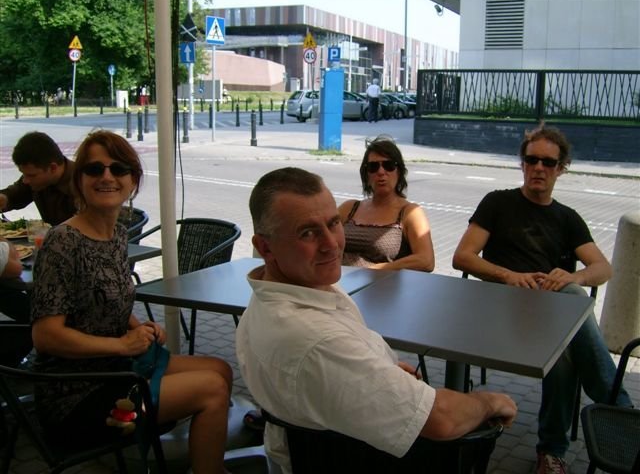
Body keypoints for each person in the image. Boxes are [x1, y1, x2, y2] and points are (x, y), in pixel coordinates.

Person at [236, 167, 517, 473]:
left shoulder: (274, 299)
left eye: (333, 223)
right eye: (307, 232)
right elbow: (442, 419)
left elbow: (332, 368)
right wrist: (490, 402)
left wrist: (379, 370)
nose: (331, 243)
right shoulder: (316, 340)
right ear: (265, 247)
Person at [30, 130, 233, 474]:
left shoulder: (117, 234)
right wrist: (123, 345)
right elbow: (45, 336)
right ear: (79, 180)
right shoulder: (63, 241)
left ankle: (201, 450)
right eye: (94, 169)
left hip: (120, 370)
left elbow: (109, 300)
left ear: (133, 180)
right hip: (77, 395)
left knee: (222, 369)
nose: (107, 176)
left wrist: (141, 329)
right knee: (211, 389)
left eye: (119, 168)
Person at [451, 124, 633, 474]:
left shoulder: (567, 218)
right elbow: (463, 257)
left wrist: (573, 276)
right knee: (572, 307)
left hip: (548, 321)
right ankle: (619, 410)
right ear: (522, 163)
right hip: (497, 314)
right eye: (532, 160)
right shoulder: (497, 202)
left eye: (548, 163)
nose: (538, 168)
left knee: (564, 347)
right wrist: (508, 276)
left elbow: (603, 268)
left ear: (561, 169)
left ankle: (551, 453)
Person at [338, 135, 435, 271]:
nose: (381, 172)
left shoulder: (410, 213)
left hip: (380, 282)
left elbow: (426, 260)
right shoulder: (349, 208)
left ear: (399, 171)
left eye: (389, 165)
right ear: (366, 174)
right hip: (338, 281)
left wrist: (378, 269)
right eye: (373, 167)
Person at [0, 131, 76, 226]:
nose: (25, 180)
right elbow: (14, 195)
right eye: (24, 174)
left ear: (53, 168)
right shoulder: (36, 179)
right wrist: (4, 198)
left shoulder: (84, 185)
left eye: (31, 175)